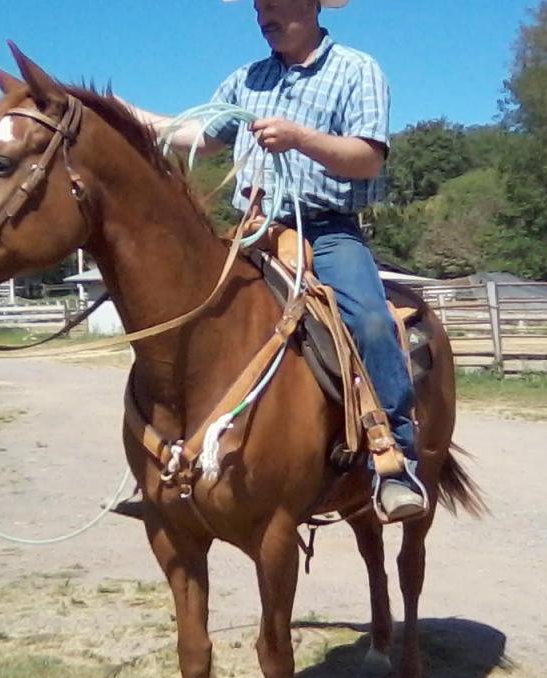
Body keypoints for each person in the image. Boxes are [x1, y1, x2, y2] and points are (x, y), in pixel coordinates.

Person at [123, 0, 425, 521]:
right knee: (179, 315)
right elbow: (201, 137)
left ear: (310, 5)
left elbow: (368, 157)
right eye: (259, 5)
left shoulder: (357, 70)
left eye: (276, 3)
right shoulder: (247, 79)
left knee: (372, 323)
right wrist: (127, 114)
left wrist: (300, 139)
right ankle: (167, 461)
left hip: (327, 232)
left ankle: (394, 460)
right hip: (252, 231)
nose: (265, 14)